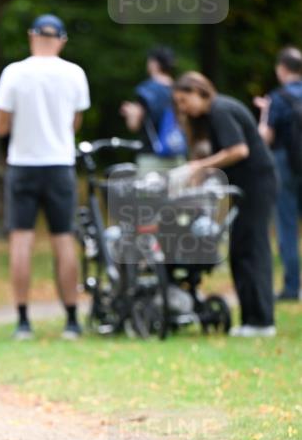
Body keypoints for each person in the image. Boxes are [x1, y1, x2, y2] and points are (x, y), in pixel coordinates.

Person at [0, 14, 90, 341]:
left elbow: (0, 125)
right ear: (62, 40)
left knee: (21, 241)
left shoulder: (14, 72)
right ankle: (72, 320)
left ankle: (23, 321)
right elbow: (75, 122)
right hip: (60, 165)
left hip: (23, 164)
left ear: (32, 36)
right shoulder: (75, 73)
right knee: (64, 240)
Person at [172, 71, 277, 337]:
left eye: (184, 101)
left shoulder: (221, 109)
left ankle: (261, 321)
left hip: (255, 185)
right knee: (241, 249)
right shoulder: (210, 116)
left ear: (198, 91)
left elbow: (239, 150)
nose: (182, 108)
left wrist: (200, 166)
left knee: (251, 248)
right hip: (241, 188)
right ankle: (252, 319)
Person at [253, 46, 302, 302]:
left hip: (285, 164)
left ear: (282, 69)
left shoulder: (278, 97)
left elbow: (265, 137)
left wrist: (265, 113)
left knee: (287, 224)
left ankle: (292, 288)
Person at [119, 46, 187, 175]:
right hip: (178, 155)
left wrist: (130, 112)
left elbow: (133, 125)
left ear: (154, 64)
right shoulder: (180, 89)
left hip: (151, 157)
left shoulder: (147, 89)